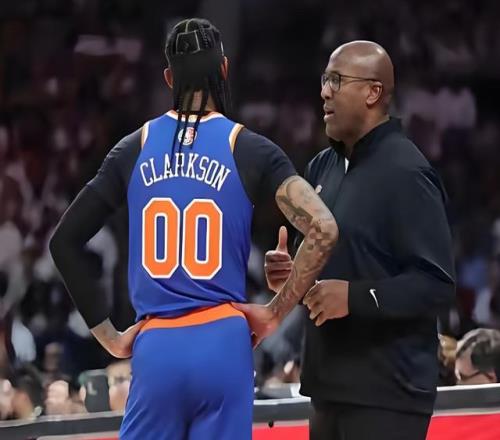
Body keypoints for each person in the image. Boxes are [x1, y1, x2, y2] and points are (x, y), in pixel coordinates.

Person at [50, 18, 338, 440]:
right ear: (224, 69)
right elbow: (323, 227)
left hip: (157, 345)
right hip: (223, 341)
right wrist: (274, 312)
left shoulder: (133, 148)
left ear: (169, 77)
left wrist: (110, 337)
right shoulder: (250, 148)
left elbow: (64, 242)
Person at [238, 41, 456, 440]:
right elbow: (325, 273)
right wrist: (292, 277)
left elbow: (437, 284)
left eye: (337, 80)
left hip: (388, 393)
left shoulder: (408, 172)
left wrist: (354, 297)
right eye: (325, 79)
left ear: (373, 92)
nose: (325, 91)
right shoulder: (321, 167)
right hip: (327, 387)